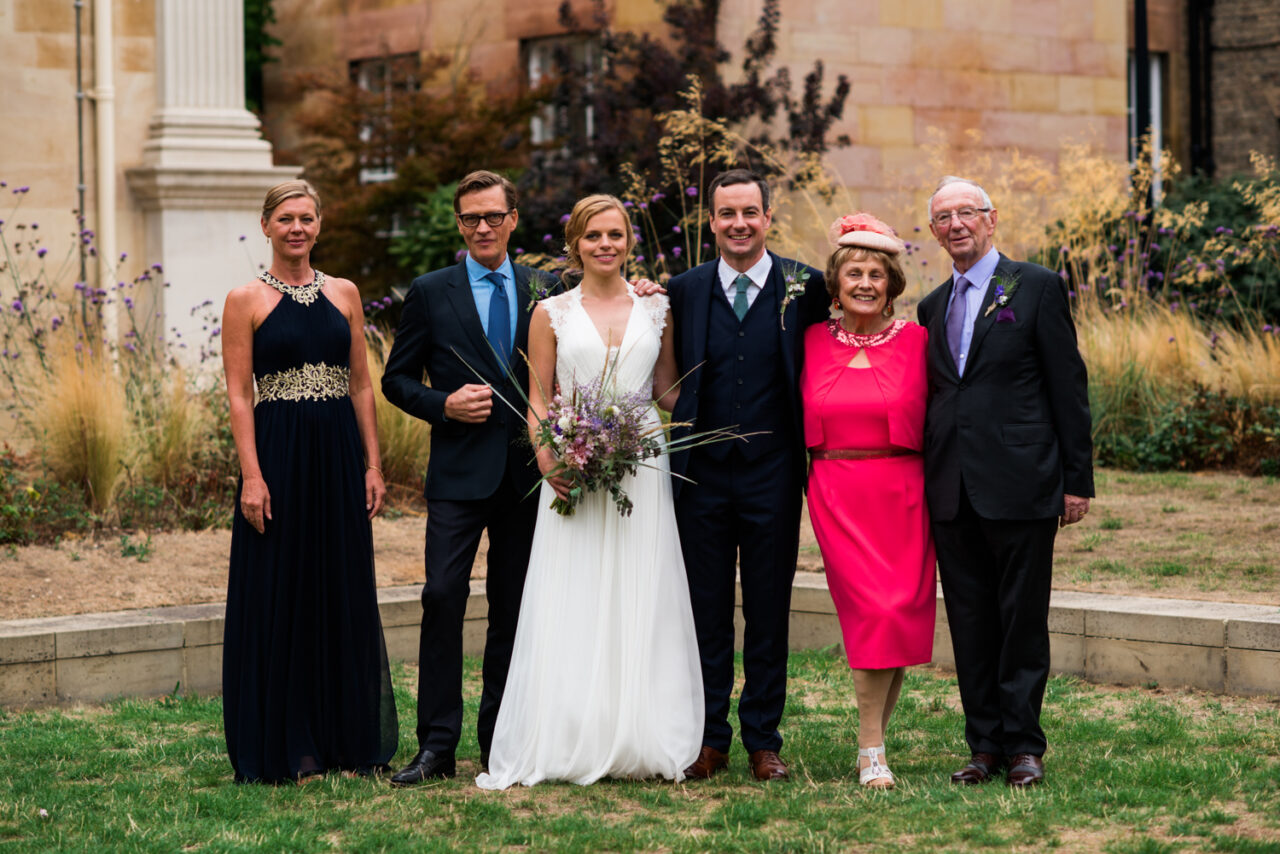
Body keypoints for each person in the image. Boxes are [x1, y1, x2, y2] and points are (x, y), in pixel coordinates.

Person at [475, 194, 703, 789]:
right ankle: (571, 728)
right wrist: (551, 462)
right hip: (569, 469)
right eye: (593, 235)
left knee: (639, 588)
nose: (606, 245)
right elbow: (540, 399)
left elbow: (665, 390)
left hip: (642, 467)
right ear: (574, 243)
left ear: (631, 241)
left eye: (617, 235)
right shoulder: (550, 312)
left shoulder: (657, 308)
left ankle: (639, 729)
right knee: (572, 589)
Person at [381, 170, 558, 785]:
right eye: (469, 219)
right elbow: (395, 380)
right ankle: (436, 746)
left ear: (513, 218)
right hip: (457, 474)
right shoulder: (431, 291)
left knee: (513, 609)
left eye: (492, 216)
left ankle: (499, 741)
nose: (481, 228)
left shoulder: (549, 289)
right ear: (459, 225)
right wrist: (443, 404)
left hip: (526, 477)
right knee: (441, 599)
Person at [916, 176, 1093, 788]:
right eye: (943, 216)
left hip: (1022, 482)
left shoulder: (1036, 286)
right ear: (934, 231)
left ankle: (1024, 746)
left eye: (967, 212)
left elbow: (1067, 386)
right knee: (969, 621)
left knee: (1021, 620)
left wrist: (1077, 480)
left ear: (992, 220)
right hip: (952, 488)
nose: (956, 224)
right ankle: (984, 746)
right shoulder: (931, 306)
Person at [221, 179, 397, 784]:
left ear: (319, 225)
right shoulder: (244, 300)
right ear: (266, 225)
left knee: (340, 586)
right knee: (282, 589)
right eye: (286, 219)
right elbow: (239, 394)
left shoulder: (345, 293)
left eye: (307, 218)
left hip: (338, 454)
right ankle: (290, 746)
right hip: (278, 454)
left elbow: (361, 385)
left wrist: (372, 464)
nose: (297, 228)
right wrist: (252, 475)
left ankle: (346, 740)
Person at [666, 169, 830, 781]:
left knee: (768, 608)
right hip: (699, 476)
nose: (739, 224)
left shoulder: (804, 286)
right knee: (704, 610)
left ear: (768, 217)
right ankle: (709, 737)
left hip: (774, 474)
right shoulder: (683, 289)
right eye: (726, 213)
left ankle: (764, 738)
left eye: (750, 213)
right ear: (711, 221)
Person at [799, 213, 936, 789]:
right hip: (836, 492)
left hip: (904, 493)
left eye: (875, 274)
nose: (864, 283)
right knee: (871, 615)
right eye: (853, 272)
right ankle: (870, 747)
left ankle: (874, 738)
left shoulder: (918, 341)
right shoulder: (806, 340)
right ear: (835, 282)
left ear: (891, 283)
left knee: (898, 615)